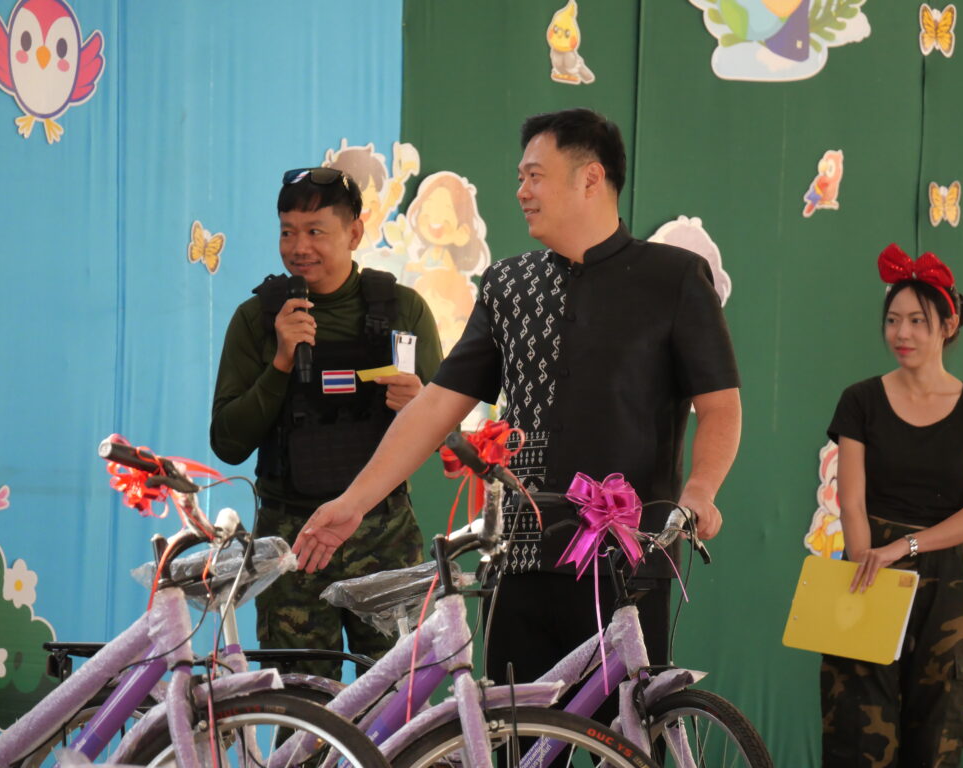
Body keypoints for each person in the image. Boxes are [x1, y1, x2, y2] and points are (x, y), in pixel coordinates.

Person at [292, 108, 741, 685]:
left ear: (590, 178)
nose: (521, 191)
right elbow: (437, 404)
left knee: (624, 728)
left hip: (627, 563)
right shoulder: (509, 284)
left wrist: (701, 491)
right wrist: (353, 502)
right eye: (520, 177)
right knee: (513, 726)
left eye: (535, 176)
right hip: (519, 558)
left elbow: (720, 406)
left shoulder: (675, 278)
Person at [210, 167, 442, 678]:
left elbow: (445, 437)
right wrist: (281, 363)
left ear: (354, 232)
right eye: (287, 232)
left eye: (315, 231)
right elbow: (227, 442)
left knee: (398, 699)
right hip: (292, 543)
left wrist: (420, 404)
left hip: (384, 538)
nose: (299, 247)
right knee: (300, 705)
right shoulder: (257, 320)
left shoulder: (404, 309)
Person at [822, 244, 963, 768]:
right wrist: (866, 562)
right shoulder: (860, 400)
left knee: (939, 733)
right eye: (893, 320)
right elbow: (851, 501)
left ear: (948, 325)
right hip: (866, 567)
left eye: (918, 320)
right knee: (857, 733)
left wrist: (906, 547)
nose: (902, 333)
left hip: (946, 581)